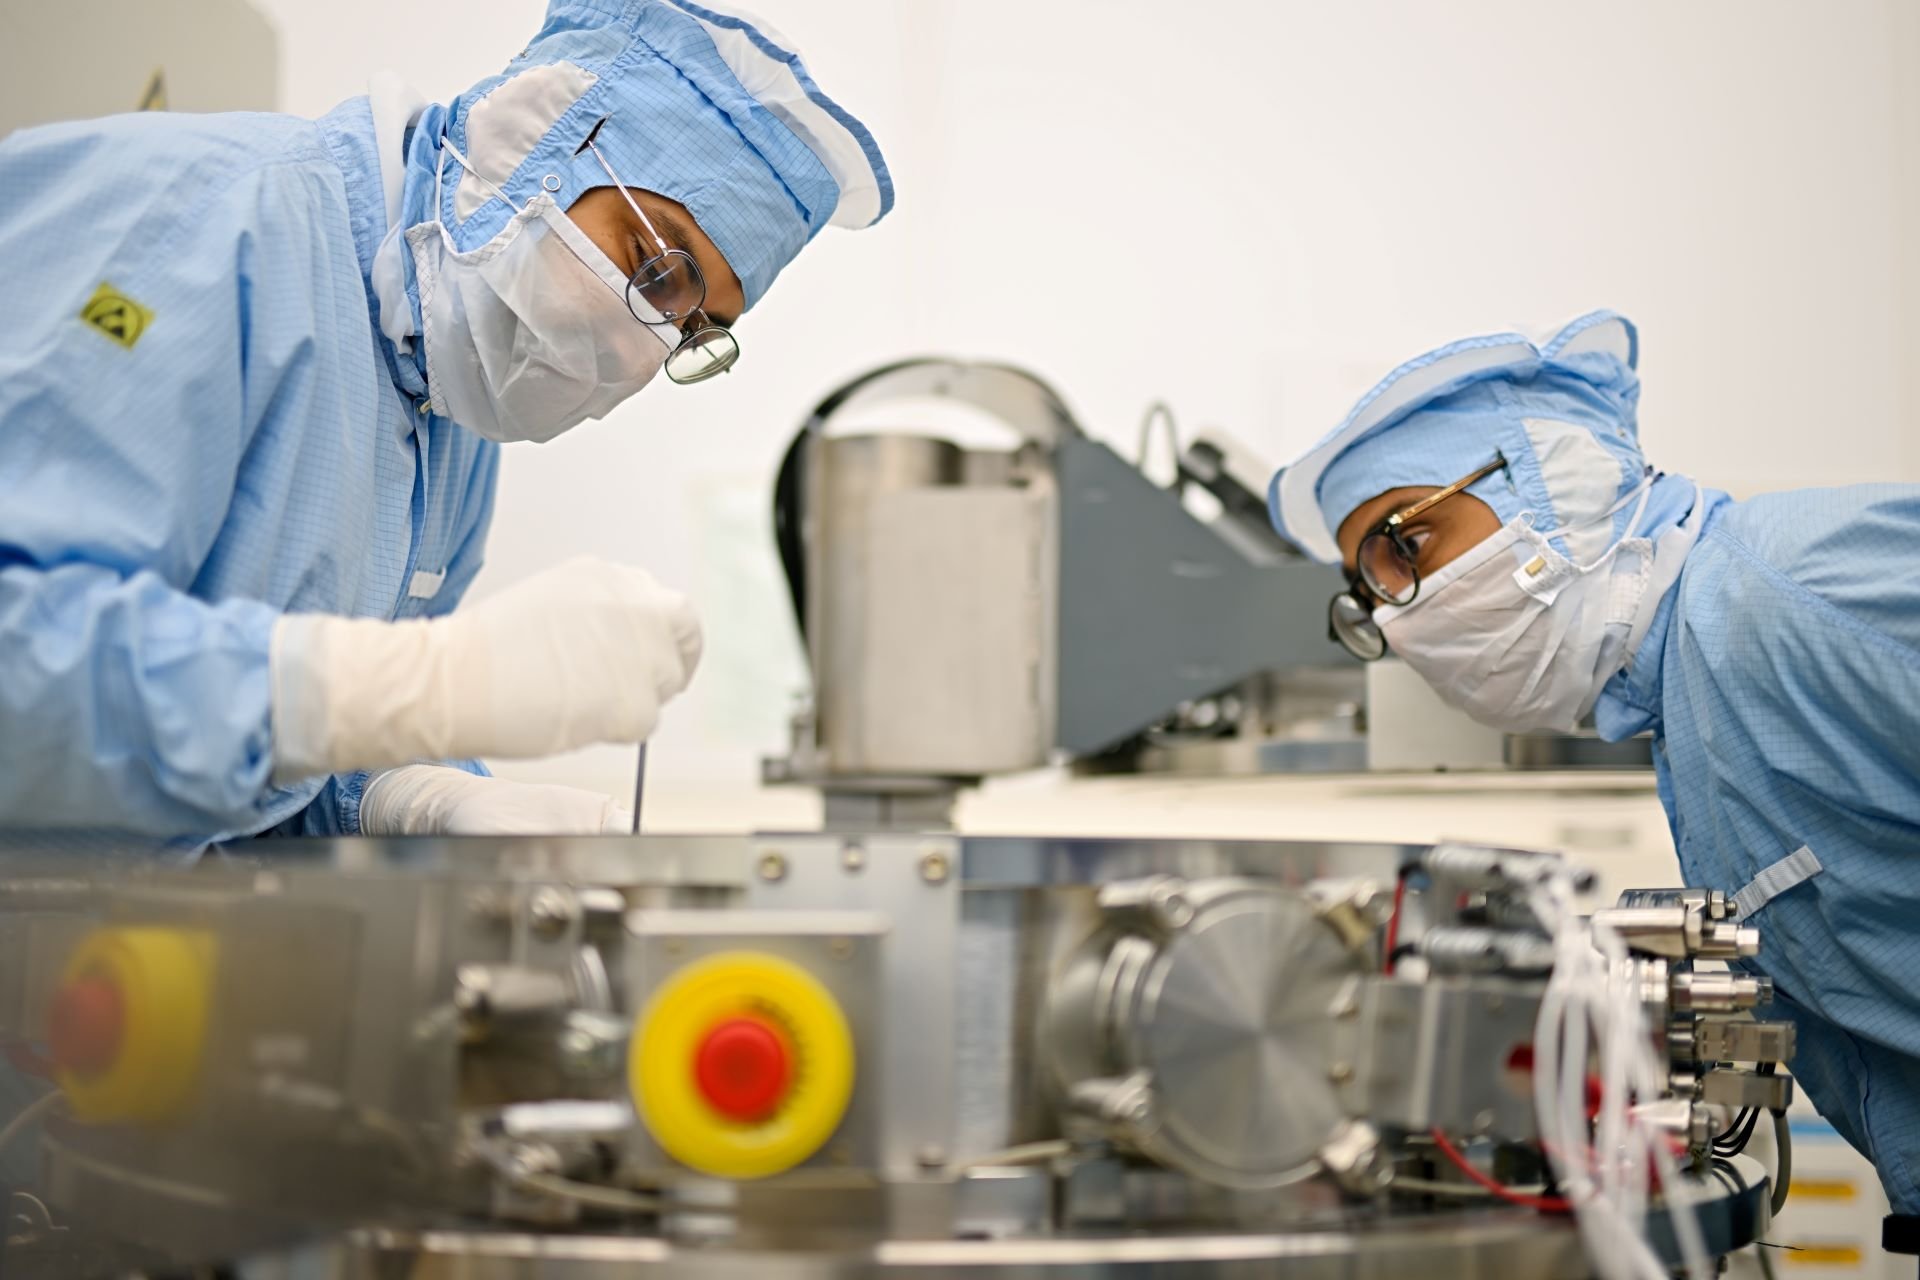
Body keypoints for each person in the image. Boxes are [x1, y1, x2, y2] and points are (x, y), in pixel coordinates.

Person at [0, 0, 893, 845]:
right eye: (657, 266)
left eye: (690, 327)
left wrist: (403, 793)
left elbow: (258, 772)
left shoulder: (452, 392)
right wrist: (424, 686)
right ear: (537, 136)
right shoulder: (210, 221)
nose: (642, 345)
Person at [1267, 310, 1920, 1212]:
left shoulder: (1797, 588)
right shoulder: (1692, 698)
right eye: (1367, 591)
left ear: (1555, 482)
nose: (1393, 618)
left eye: (1404, 546)